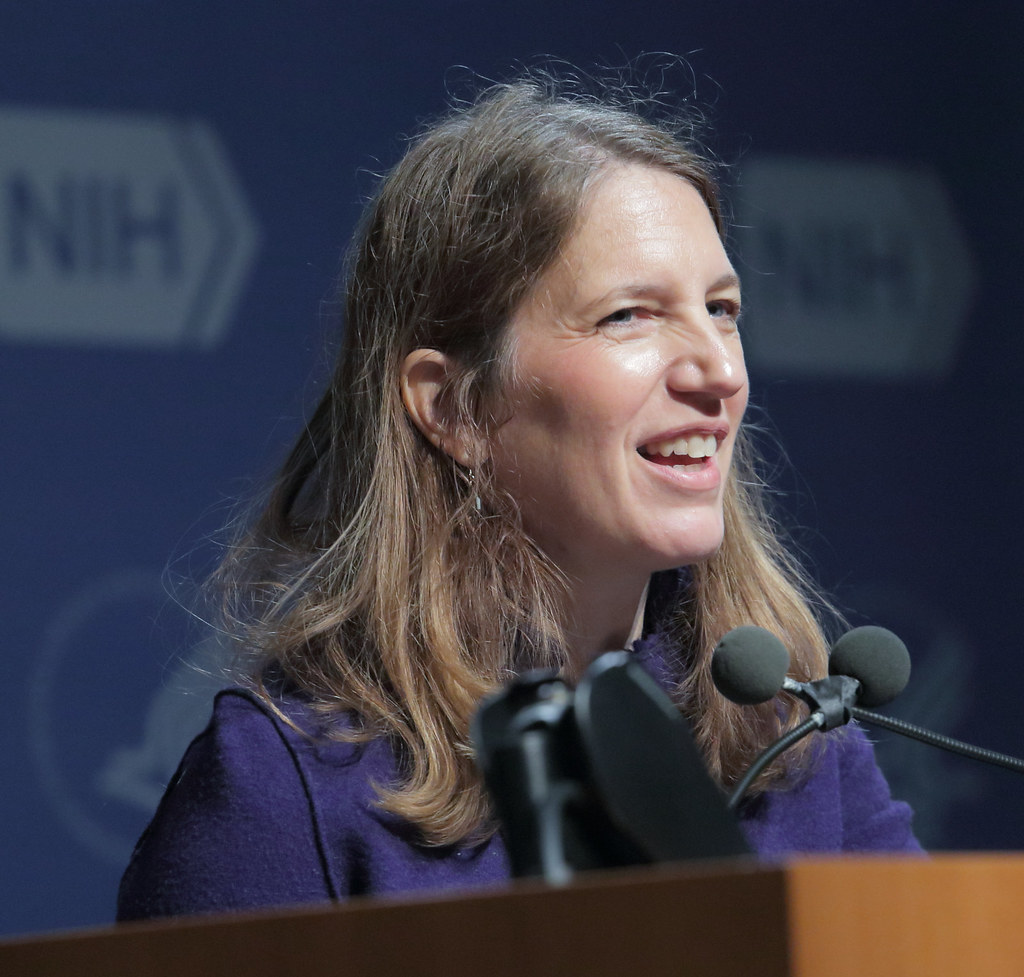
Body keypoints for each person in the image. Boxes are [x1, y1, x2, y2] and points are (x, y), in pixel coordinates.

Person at [117, 75, 920, 921]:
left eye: (722, 309)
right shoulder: (283, 786)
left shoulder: (794, 745)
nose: (720, 370)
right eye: (629, 317)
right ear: (453, 407)